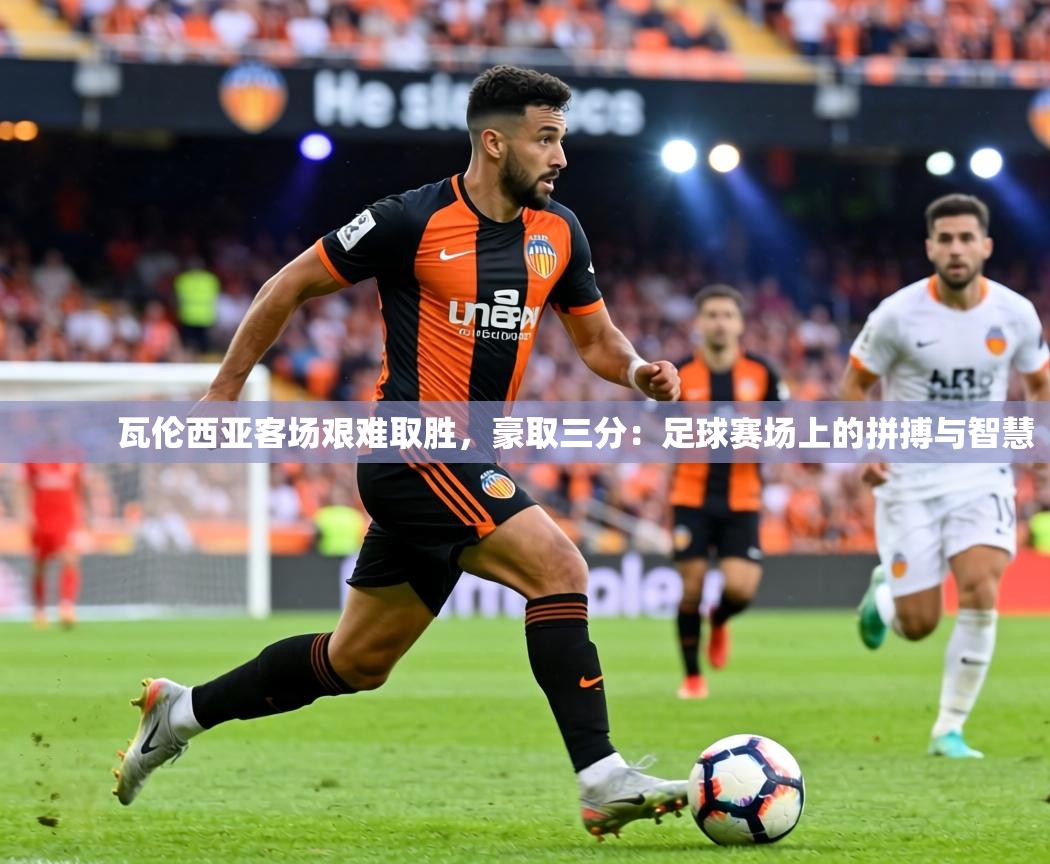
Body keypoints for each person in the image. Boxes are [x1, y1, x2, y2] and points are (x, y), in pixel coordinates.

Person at [112, 65, 689, 838]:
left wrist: (638, 370)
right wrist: (224, 391)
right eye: (546, 139)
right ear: (495, 142)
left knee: (356, 662)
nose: (560, 156)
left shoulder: (558, 232)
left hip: (466, 462)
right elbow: (287, 285)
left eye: (562, 139)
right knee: (560, 568)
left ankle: (179, 714)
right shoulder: (408, 219)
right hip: (413, 450)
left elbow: (596, 339)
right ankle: (601, 776)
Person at [842, 194, 1050, 758]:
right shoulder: (897, 315)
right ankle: (885, 598)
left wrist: (1042, 435)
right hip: (909, 479)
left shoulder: (1015, 313)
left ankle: (949, 729)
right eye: (946, 239)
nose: (956, 249)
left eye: (966, 238)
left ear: (986, 246)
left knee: (982, 586)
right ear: (930, 247)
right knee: (919, 624)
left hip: (982, 471)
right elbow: (855, 385)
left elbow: (1040, 384)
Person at [669, 285, 786, 699]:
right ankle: (692, 677)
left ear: (740, 323)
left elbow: (779, 424)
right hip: (691, 496)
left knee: (741, 589)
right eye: (712, 315)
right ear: (699, 323)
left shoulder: (762, 372)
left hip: (743, 496)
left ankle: (719, 618)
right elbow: (652, 426)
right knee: (691, 589)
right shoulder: (679, 373)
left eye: (727, 315)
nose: (720, 323)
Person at [24, 462, 86, 629]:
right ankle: (40, 611)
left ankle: (67, 607)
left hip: (66, 520)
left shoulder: (73, 458)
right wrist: (24, 513)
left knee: (70, 559)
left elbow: (81, 486)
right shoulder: (34, 460)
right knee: (40, 566)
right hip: (40, 519)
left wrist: (84, 513)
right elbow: (23, 485)